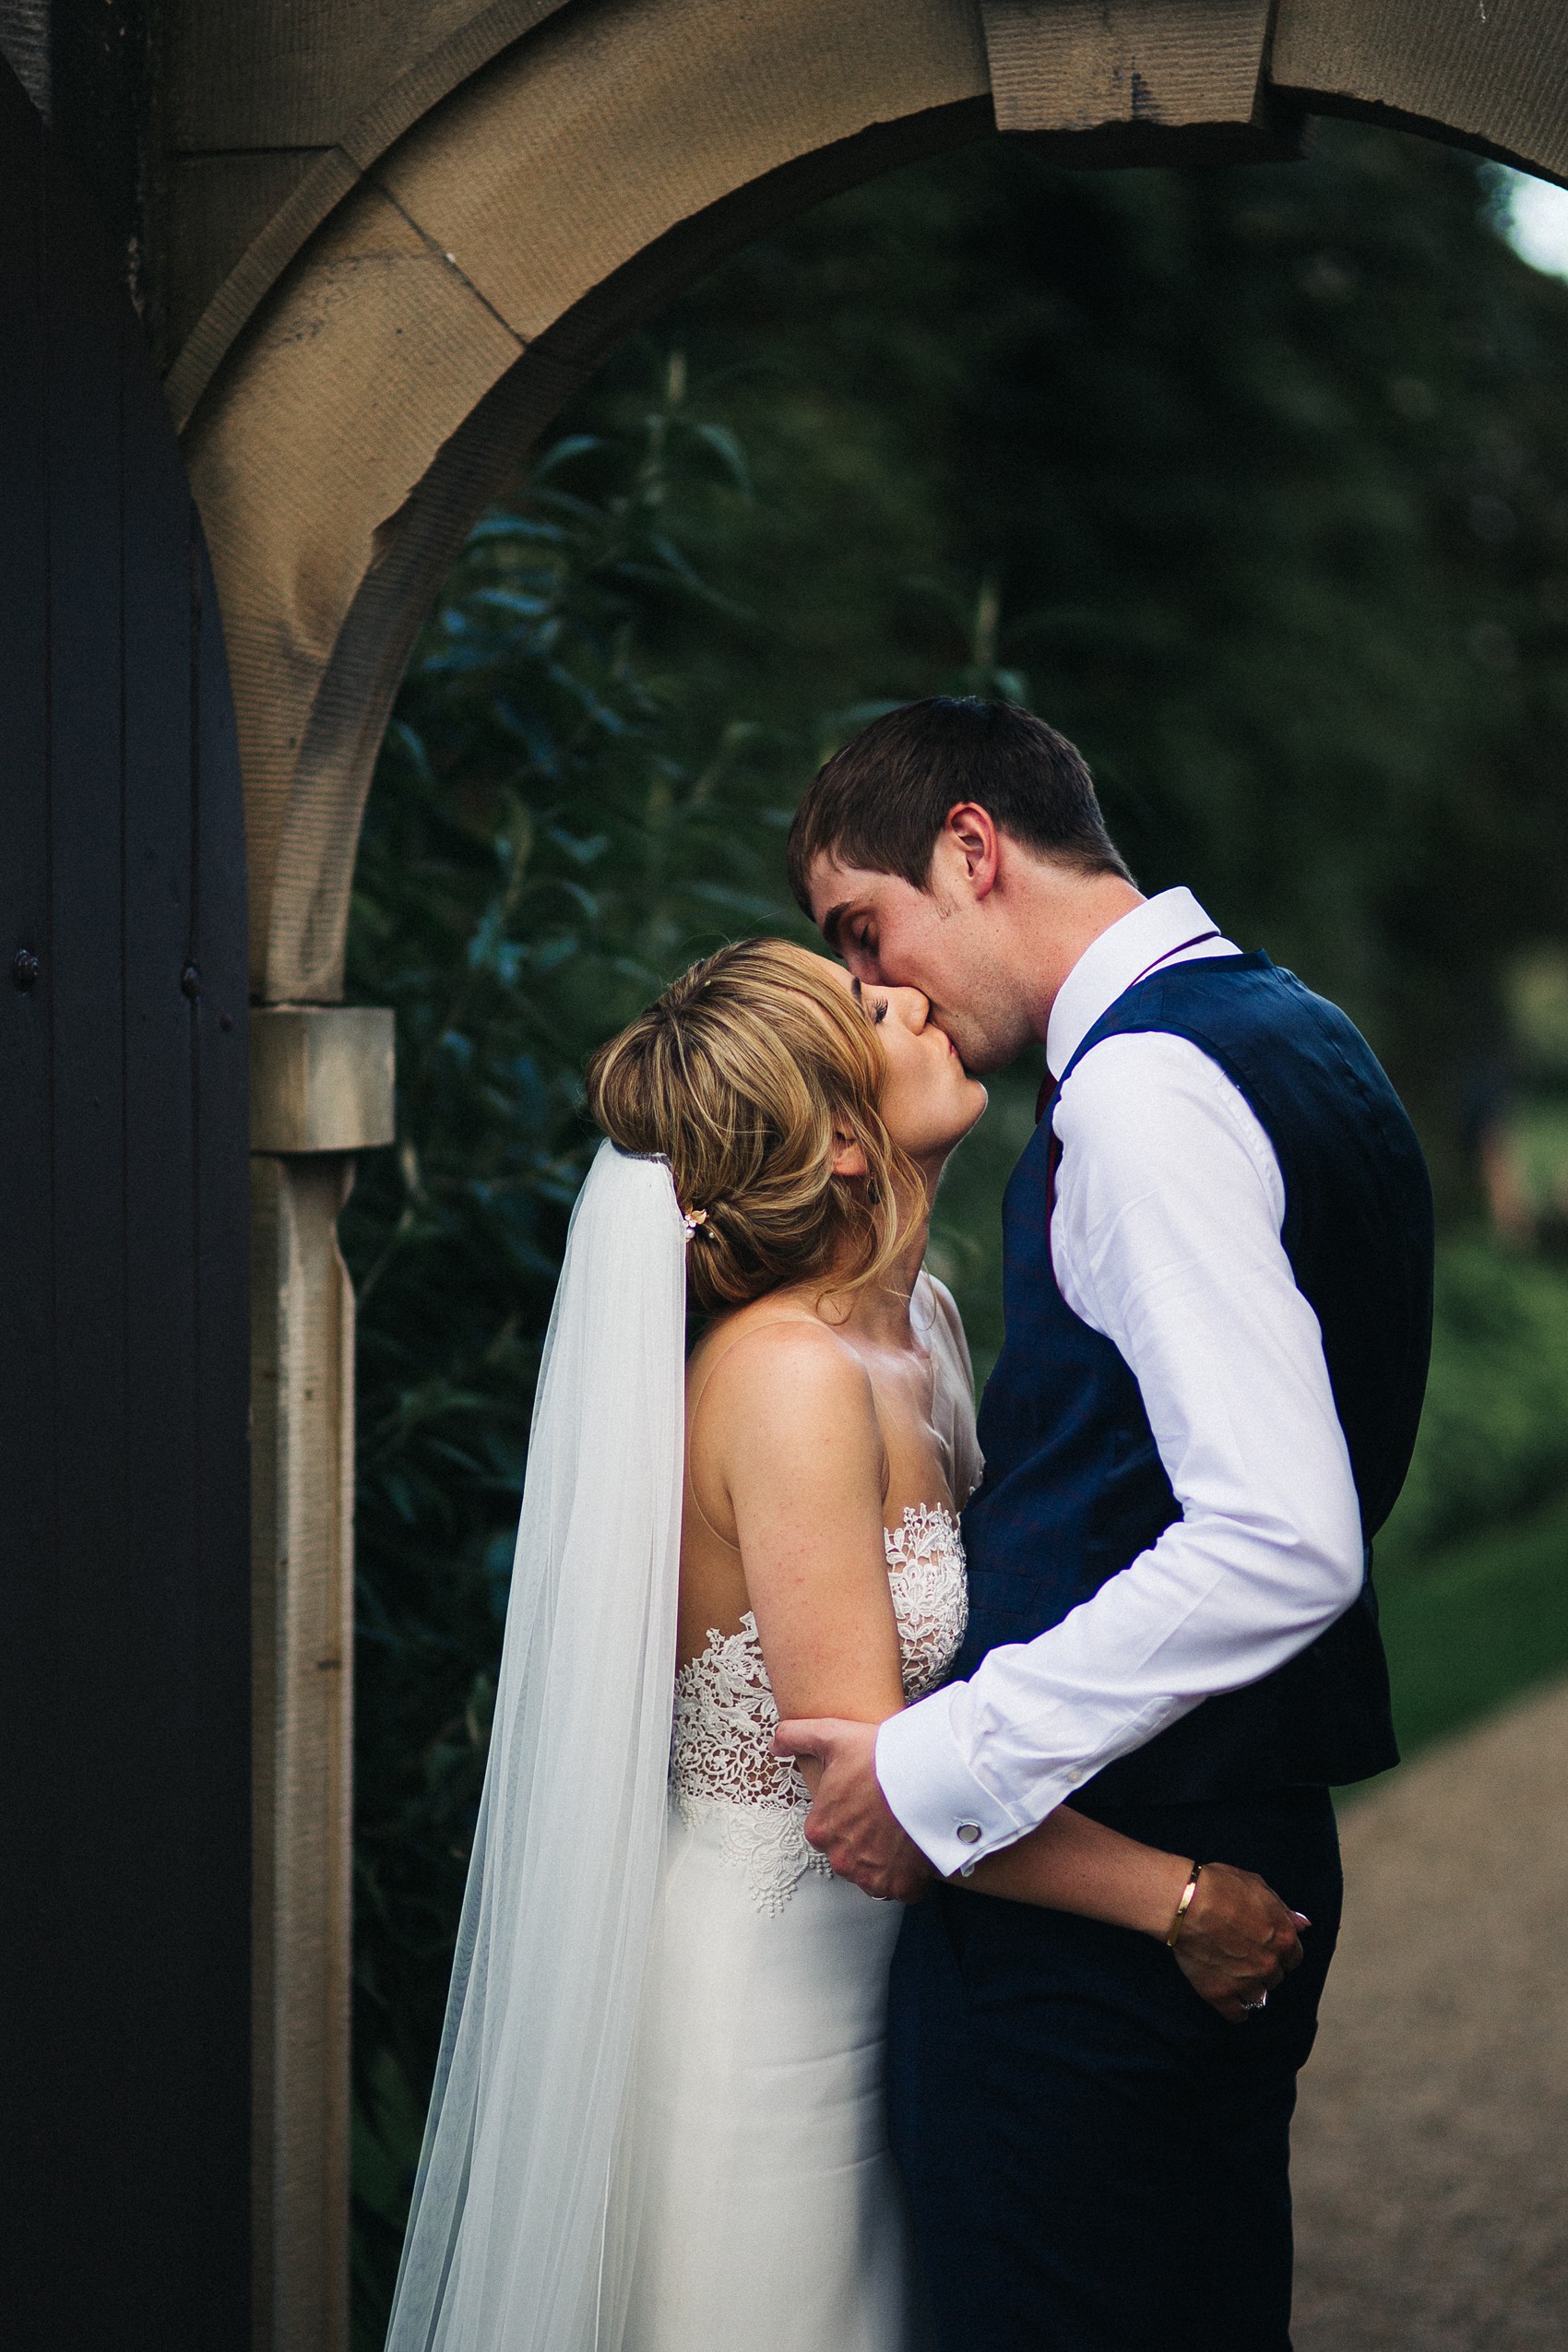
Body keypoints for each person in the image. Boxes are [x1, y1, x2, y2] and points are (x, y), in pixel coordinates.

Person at [383, 937, 1305, 2352]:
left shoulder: (917, 1325)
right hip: (773, 2028)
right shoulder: (790, 1381)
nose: (917, 995)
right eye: (872, 1009)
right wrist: (1177, 1899)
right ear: (842, 1149)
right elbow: (874, 1788)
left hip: (914, 2000)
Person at [780, 698, 1435, 2352]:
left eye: (870, 927)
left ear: (975, 847)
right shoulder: (1300, 1032)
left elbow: (1283, 1536)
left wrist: (944, 1763)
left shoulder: (1144, 1092)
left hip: (1109, 1929)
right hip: (1219, 1841)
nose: (881, 992)